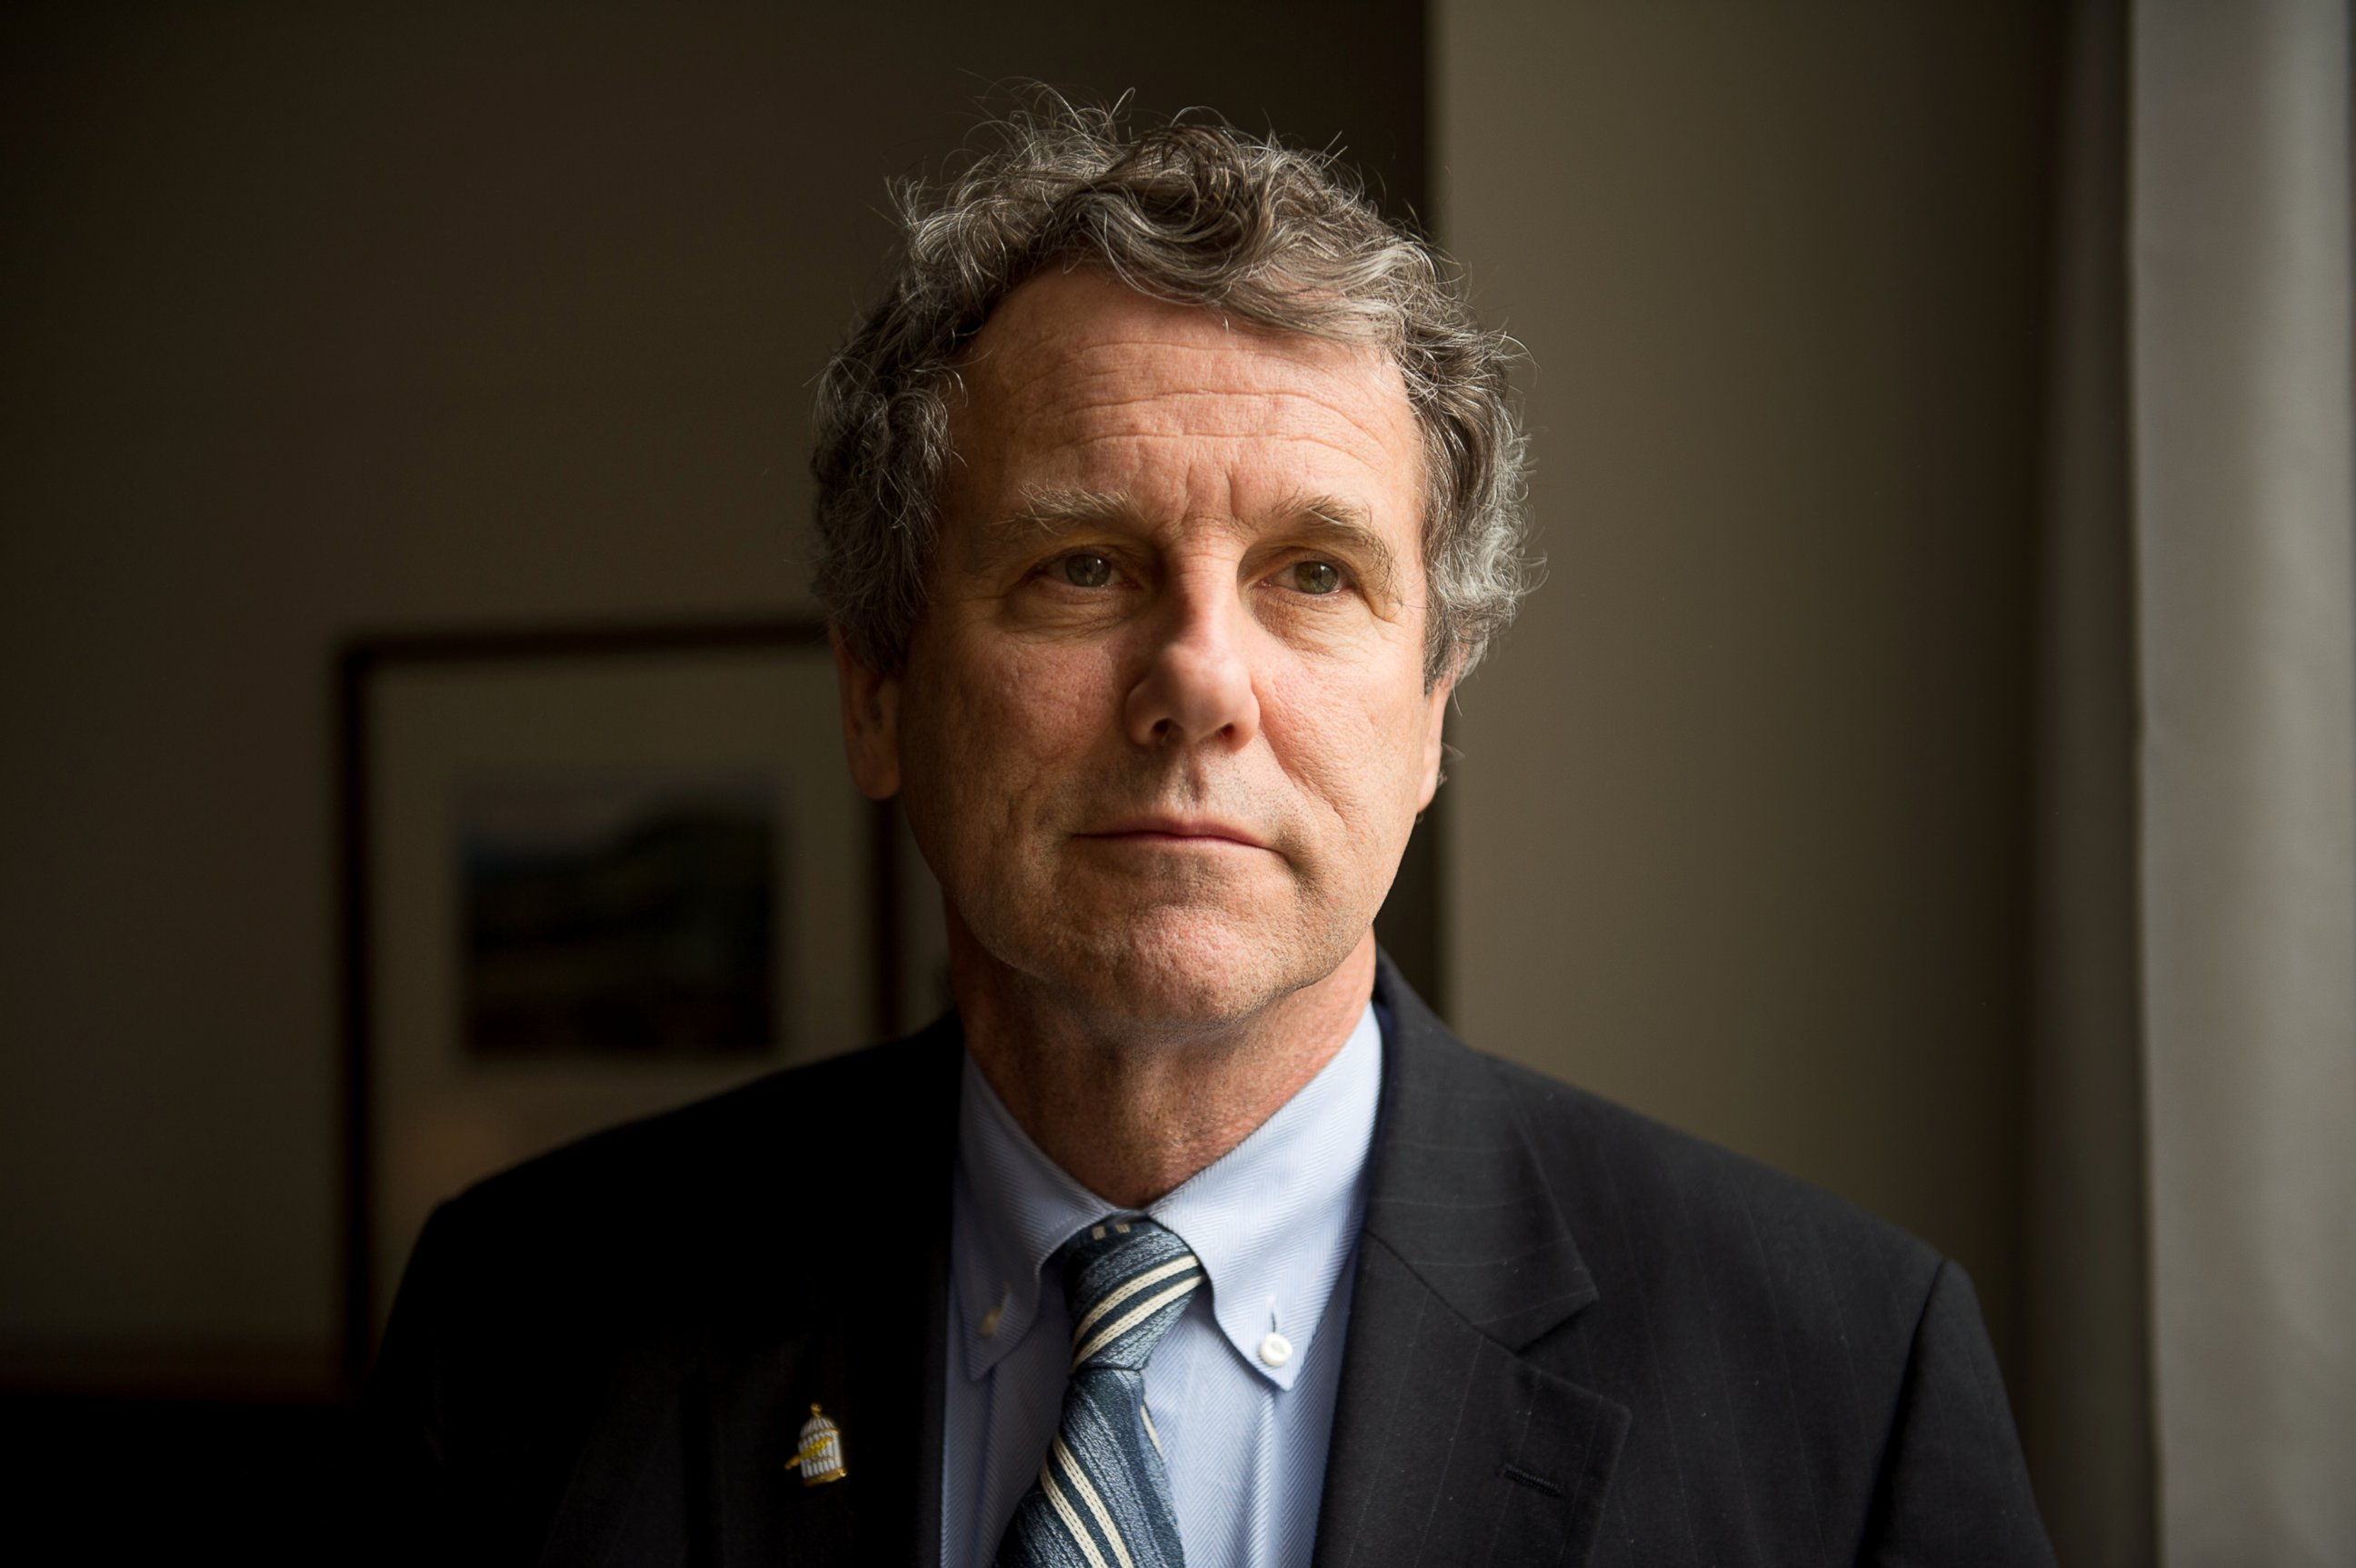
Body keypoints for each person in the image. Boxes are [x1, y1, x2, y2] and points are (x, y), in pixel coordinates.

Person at [362, 101, 2054, 1567]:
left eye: (1315, 574)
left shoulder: (1844, 1381)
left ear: (1434, 715)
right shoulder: (524, 1322)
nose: (1197, 684)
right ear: (879, 688)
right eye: (1081, 565)